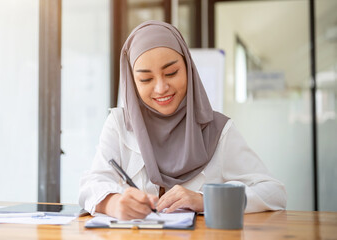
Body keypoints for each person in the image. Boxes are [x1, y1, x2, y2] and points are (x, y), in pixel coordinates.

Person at [79, 20, 286, 220]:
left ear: (188, 68)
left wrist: (205, 200)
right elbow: (91, 184)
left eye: (171, 73)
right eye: (146, 79)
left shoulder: (218, 130)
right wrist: (113, 203)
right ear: (132, 83)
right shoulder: (119, 124)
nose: (161, 88)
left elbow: (274, 193)